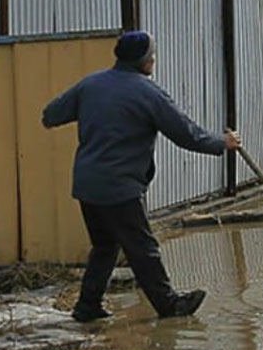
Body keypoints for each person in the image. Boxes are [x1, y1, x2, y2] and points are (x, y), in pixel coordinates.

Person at [42, 30, 241, 322]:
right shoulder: (148, 93)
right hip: (119, 186)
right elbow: (186, 134)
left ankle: (88, 305)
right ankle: (169, 304)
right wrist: (222, 143)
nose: (155, 60)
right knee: (142, 248)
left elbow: (51, 115)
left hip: (87, 184)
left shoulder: (90, 85)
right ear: (143, 61)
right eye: (152, 56)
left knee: (105, 245)